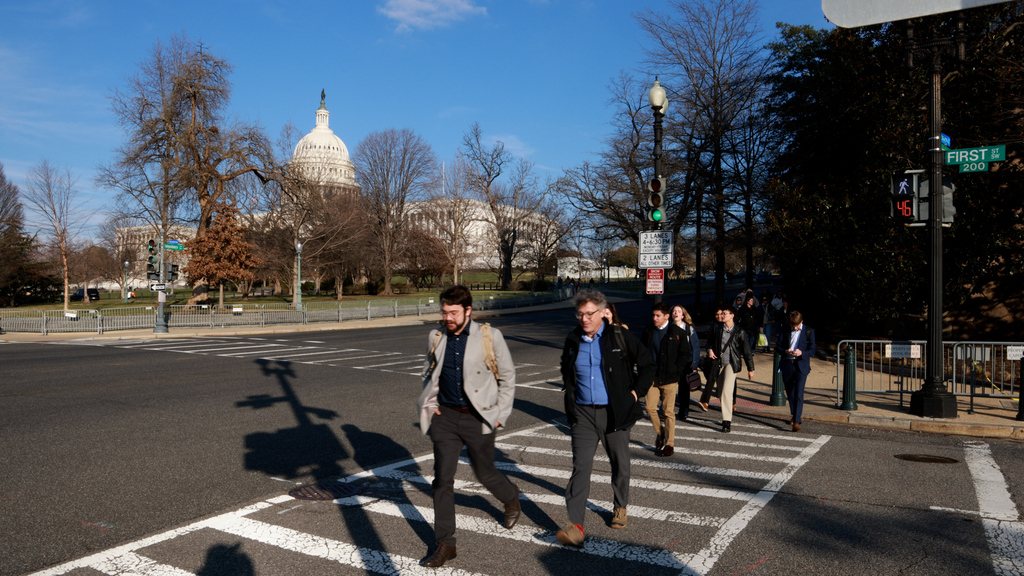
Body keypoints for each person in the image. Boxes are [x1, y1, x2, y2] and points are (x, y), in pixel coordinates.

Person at [416, 285, 521, 567]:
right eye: (444, 312)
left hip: (478, 416)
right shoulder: (436, 336)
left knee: (485, 473)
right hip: (446, 417)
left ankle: (511, 496)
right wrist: (431, 404)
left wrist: (500, 414)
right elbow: (429, 373)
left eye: (453, 312)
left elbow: (508, 377)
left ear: (467, 311)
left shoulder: (489, 336)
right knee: (442, 480)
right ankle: (446, 543)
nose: (447, 317)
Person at [555, 290, 655, 547]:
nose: (584, 319)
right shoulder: (572, 339)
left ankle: (620, 506)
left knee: (619, 463)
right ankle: (575, 525)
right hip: (583, 414)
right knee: (580, 468)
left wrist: (635, 393)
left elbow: (647, 364)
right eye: (580, 314)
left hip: (614, 412)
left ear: (602, 312)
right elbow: (566, 369)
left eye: (590, 313)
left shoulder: (619, 336)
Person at [640, 303, 692, 457]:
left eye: (658, 315)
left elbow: (685, 354)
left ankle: (669, 444)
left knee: (668, 411)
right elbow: (642, 351)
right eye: (653, 315)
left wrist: (676, 369)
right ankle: (661, 432)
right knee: (649, 408)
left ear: (666, 316)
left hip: (669, 378)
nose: (654, 318)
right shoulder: (648, 330)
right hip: (652, 377)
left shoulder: (677, 332)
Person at [705, 306, 755, 433]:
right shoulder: (717, 328)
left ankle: (726, 421)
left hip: (732, 364)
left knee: (726, 391)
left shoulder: (740, 331)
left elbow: (747, 351)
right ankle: (727, 410)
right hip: (718, 364)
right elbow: (709, 342)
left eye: (724, 313)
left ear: (732, 315)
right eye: (721, 313)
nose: (722, 315)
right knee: (721, 392)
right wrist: (709, 350)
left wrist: (751, 369)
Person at [776, 310, 816, 432]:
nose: (795, 327)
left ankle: (797, 420)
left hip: (801, 365)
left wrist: (802, 353)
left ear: (801, 321)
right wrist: (786, 351)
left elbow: (813, 349)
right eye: (793, 325)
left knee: (799, 392)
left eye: (797, 325)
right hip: (788, 364)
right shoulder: (785, 330)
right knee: (790, 393)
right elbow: (777, 347)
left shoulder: (809, 331)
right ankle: (794, 414)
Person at [671, 304, 701, 421]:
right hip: (672, 363)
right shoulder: (668, 328)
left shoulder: (689, 329)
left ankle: (683, 411)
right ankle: (667, 410)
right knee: (670, 388)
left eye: (678, 311)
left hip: (686, 363)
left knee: (684, 389)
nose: (676, 313)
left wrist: (695, 363)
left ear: (683, 315)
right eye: (674, 311)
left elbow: (696, 347)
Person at [697, 307, 726, 412]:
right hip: (715, 357)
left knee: (728, 381)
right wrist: (709, 350)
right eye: (717, 315)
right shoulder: (714, 326)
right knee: (711, 378)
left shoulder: (731, 327)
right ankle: (704, 401)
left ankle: (732, 402)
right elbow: (709, 341)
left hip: (727, 357)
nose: (719, 316)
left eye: (721, 314)